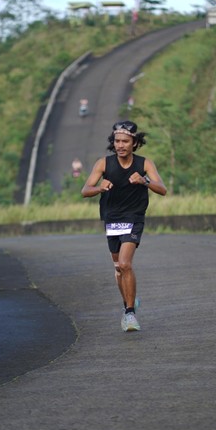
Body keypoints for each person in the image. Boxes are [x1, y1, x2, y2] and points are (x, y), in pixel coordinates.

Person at [81, 121, 167, 332]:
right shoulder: (104, 164)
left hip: (134, 217)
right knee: (119, 268)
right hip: (112, 218)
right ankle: (129, 301)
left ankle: (129, 313)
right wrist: (99, 188)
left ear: (134, 143)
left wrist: (145, 181)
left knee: (125, 263)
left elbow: (162, 189)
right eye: (117, 141)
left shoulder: (145, 164)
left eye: (125, 141)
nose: (120, 145)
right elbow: (85, 190)